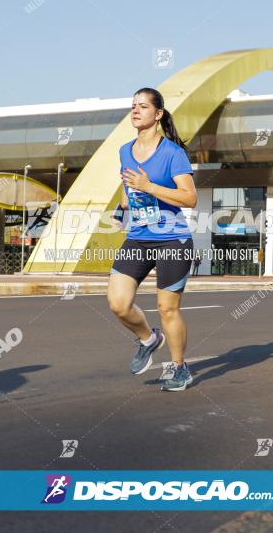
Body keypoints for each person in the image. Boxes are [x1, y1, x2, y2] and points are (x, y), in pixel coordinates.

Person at [107, 87, 197, 391]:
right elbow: (128, 185)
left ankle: (180, 368)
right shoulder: (124, 150)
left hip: (173, 239)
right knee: (118, 303)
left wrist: (150, 186)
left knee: (167, 308)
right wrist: (122, 209)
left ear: (158, 114)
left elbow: (190, 197)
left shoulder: (172, 153)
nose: (135, 111)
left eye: (142, 106)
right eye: (133, 106)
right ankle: (149, 339)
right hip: (139, 236)